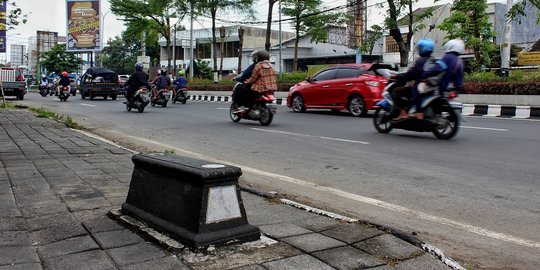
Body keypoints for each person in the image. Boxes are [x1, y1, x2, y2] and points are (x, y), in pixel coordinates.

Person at [391, 38, 435, 120]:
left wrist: (397, 76)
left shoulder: (420, 61)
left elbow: (410, 75)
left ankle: (403, 113)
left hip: (419, 88)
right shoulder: (433, 60)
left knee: (396, 91)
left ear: (422, 49)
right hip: (431, 88)